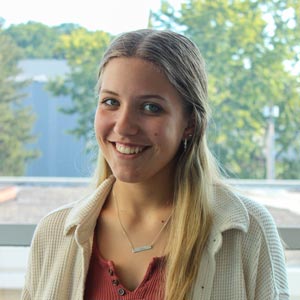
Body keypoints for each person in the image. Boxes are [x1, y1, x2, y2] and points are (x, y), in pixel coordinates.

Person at [21, 29, 289, 300]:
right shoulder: (53, 233)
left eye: (151, 108)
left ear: (190, 124)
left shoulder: (247, 231)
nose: (124, 126)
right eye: (111, 102)